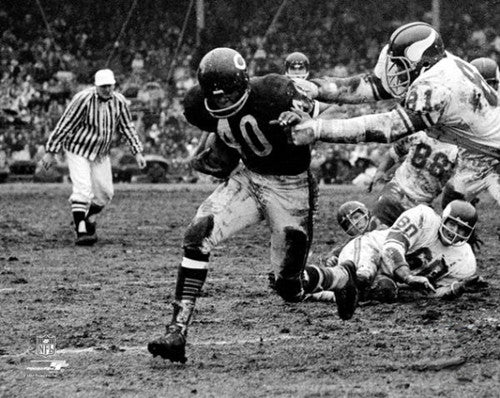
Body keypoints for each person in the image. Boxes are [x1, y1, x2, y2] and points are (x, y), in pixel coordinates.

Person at [147, 47, 322, 363]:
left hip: (290, 188)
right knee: (197, 234)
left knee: (288, 287)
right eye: (217, 98)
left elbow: (317, 115)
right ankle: (177, 330)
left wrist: (304, 120)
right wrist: (213, 155)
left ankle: (340, 277)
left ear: (244, 84)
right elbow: (220, 135)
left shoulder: (275, 90)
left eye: (229, 96)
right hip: (249, 179)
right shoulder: (199, 105)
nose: (224, 103)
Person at [282, 22, 500, 162]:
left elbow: (388, 128)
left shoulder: (438, 85)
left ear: (422, 63)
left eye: (400, 64)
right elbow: (372, 85)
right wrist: (316, 87)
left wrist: (317, 129)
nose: (395, 70)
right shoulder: (438, 63)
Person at [303, 200, 479, 319]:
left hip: (389, 276)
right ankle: (311, 277)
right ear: (443, 218)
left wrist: (454, 289)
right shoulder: (424, 217)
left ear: (469, 232)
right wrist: (407, 276)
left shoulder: (465, 260)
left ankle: (312, 289)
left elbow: (431, 292)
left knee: (384, 291)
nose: (454, 231)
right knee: (363, 275)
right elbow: (392, 247)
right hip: (371, 249)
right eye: (452, 224)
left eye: (462, 229)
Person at [40, 69, 146, 245]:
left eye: (110, 86)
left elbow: (127, 127)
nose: (107, 89)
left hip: (100, 152)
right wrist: (51, 152)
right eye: (103, 86)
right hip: (78, 148)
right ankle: (81, 229)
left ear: (114, 85)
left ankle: (87, 218)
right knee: (83, 189)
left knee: (105, 193)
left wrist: (137, 152)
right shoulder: (83, 99)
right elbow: (65, 125)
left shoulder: (119, 101)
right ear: (96, 86)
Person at [442, 57, 500, 210]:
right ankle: (468, 232)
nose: (487, 88)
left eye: (491, 83)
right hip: (471, 168)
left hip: (495, 169)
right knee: (450, 202)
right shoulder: (462, 104)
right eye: (484, 83)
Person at [369, 131, 458, 227]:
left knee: (420, 233)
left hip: (423, 200)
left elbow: (458, 185)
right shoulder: (419, 135)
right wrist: (380, 171)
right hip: (399, 186)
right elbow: (394, 152)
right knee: (382, 211)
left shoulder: (458, 151)